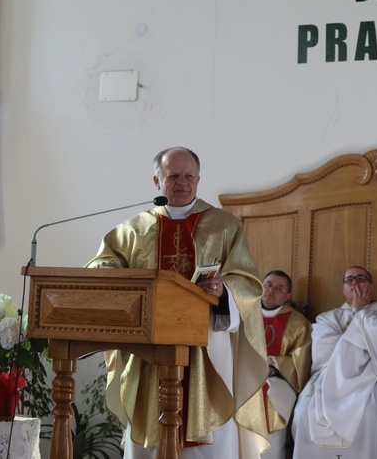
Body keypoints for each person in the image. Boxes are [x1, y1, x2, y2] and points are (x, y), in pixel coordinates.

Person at [86, 146, 270, 459]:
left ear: (199, 179)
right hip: (150, 349)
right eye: (173, 176)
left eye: (188, 176)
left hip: (207, 350)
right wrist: (109, 271)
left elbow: (248, 283)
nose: (181, 182)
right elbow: (100, 266)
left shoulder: (225, 226)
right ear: (157, 181)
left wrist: (223, 290)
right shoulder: (133, 230)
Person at [291, 266, 377, 459]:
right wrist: (364, 340)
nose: (354, 283)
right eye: (349, 280)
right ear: (343, 289)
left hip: (370, 378)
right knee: (303, 412)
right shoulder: (327, 318)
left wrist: (358, 312)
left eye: (360, 279)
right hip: (328, 377)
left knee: (370, 415)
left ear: (371, 286)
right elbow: (325, 352)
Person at [259, 270, 312, 459]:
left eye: (279, 288)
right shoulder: (244, 314)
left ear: (288, 295)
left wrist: (272, 366)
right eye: (268, 284)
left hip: (278, 380)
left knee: (267, 396)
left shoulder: (298, 323)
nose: (271, 290)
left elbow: (301, 364)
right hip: (242, 376)